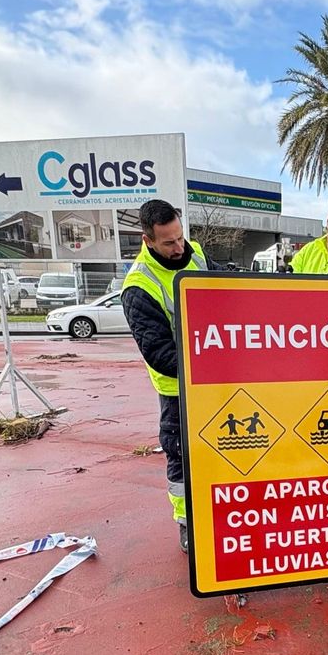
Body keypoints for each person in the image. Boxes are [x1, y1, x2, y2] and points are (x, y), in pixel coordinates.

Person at [122, 199, 207, 553]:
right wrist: (210, 365)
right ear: (147, 240)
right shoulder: (139, 287)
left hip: (215, 383)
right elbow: (159, 354)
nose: (179, 248)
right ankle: (187, 522)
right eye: (168, 243)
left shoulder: (195, 253)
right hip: (177, 391)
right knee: (181, 457)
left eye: (180, 238)